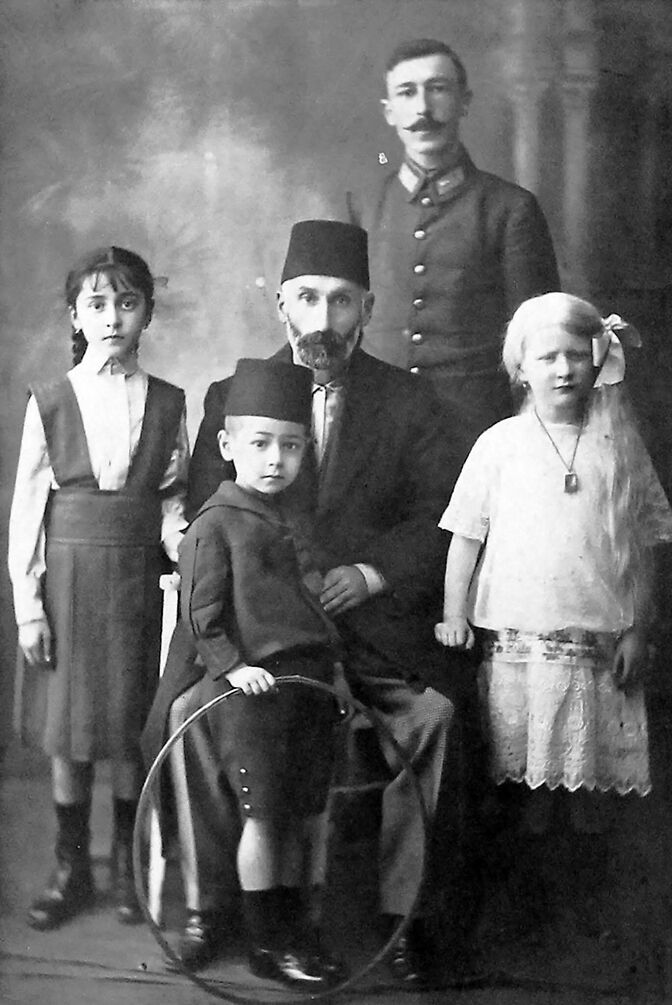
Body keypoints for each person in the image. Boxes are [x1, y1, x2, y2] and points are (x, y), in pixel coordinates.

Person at [142, 220, 459, 986]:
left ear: (369, 306)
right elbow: (192, 511)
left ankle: (399, 916)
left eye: (341, 301)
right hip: (251, 636)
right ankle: (215, 907)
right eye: (307, 298)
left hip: (365, 633)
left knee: (434, 720)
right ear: (281, 304)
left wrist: (375, 571)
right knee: (191, 718)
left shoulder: (410, 404)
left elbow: (442, 516)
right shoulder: (232, 396)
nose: (322, 320)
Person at [435, 292, 672, 937]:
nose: (564, 369)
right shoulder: (500, 444)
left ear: (599, 360)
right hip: (519, 646)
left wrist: (637, 628)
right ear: (521, 367)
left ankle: (583, 914)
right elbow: (466, 535)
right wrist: (453, 613)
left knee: (590, 793)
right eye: (548, 357)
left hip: (597, 647)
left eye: (577, 355)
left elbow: (645, 548)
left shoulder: (620, 449)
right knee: (526, 790)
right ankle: (525, 912)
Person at [7, 246, 189, 930]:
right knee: (70, 734)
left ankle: (128, 869)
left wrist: (176, 536)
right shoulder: (51, 401)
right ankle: (70, 866)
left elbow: (171, 496)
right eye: (97, 304)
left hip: (136, 583)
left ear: (147, 310)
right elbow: (28, 511)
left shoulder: (169, 402)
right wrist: (29, 609)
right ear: (76, 315)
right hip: (68, 586)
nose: (113, 317)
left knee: (126, 731)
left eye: (127, 302)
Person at [176, 357, 346, 988]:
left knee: (309, 813)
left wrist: (337, 676)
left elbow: (313, 608)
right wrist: (233, 668)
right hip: (253, 693)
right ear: (226, 447)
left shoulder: (293, 521)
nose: (276, 460)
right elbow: (202, 615)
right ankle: (266, 941)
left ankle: (303, 929)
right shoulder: (213, 525)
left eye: (291, 447)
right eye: (260, 445)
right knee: (265, 814)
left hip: (308, 687)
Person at [347, 38, 561, 453]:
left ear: (464, 102)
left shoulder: (510, 209)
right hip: (376, 430)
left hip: (474, 434)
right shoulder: (364, 204)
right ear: (389, 112)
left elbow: (537, 343)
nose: (422, 110)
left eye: (438, 89)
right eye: (406, 93)